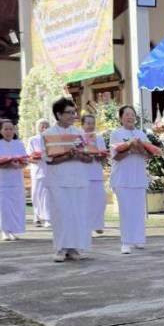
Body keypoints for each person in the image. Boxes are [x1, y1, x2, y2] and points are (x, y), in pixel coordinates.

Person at [43, 97, 91, 262]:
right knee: (61, 215)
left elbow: (89, 158)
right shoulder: (48, 134)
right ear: (58, 114)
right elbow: (50, 160)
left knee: (76, 214)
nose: (73, 116)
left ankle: (74, 248)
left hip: (78, 179)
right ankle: (60, 249)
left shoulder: (79, 133)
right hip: (58, 180)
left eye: (74, 112)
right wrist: (67, 156)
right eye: (69, 113)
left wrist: (79, 155)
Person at [110, 105, 152, 254]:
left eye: (132, 114)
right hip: (122, 178)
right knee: (126, 210)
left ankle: (138, 239)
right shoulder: (116, 134)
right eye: (126, 114)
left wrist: (139, 148)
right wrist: (129, 149)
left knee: (138, 210)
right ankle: (126, 242)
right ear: (121, 118)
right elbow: (116, 156)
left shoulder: (141, 133)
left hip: (138, 177)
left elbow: (148, 155)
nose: (130, 117)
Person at [0, 118, 29, 240]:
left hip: (16, 179)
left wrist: (19, 164)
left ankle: (13, 230)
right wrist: (8, 164)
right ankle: (4, 231)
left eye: (11, 129)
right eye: (5, 129)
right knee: (3, 205)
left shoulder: (19, 143)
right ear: (0, 130)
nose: (8, 131)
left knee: (16, 205)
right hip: (1, 180)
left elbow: (25, 161)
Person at [79, 112, 108, 235]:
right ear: (83, 124)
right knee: (85, 202)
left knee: (99, 201)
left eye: (93, 123)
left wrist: (100, 156)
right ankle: (85, 226)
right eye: (88, 123)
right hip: (83, 174)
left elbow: (103, 155)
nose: (91, 126)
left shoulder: (99, 137)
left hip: (96, 173)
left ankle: (97, 225)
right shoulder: (78, 137)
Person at [28, 119, 52, 228]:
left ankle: (48, 217)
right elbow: (29, 156)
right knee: (36, 194)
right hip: (37, 170)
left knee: (47, 195)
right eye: (42, 126)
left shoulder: (52, 139)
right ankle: (36, 216)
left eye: (46, 126)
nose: (44, 128)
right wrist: (38, 158)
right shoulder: (32, 140)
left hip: (49, 170)